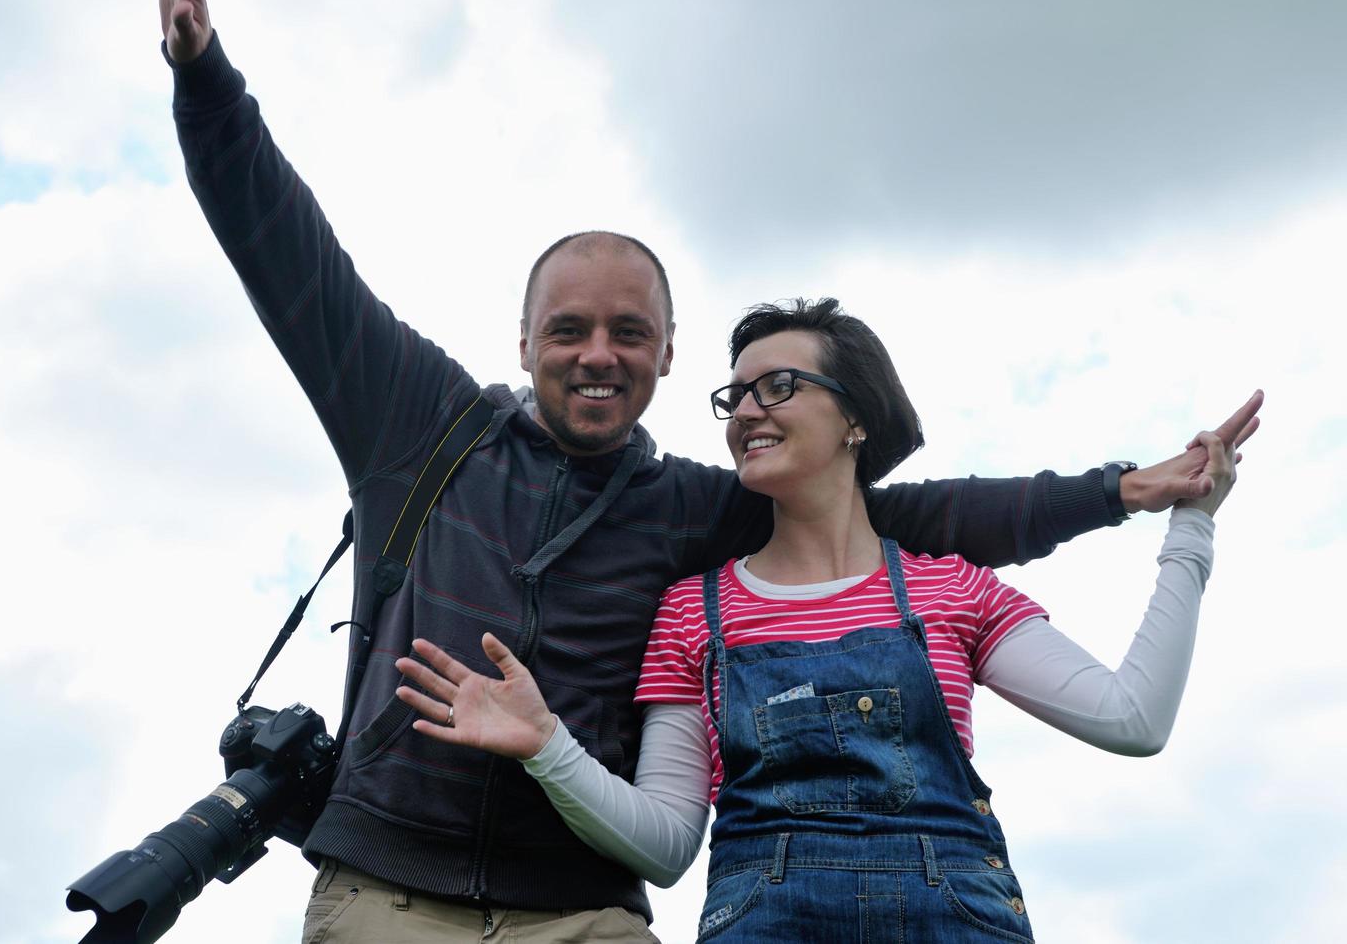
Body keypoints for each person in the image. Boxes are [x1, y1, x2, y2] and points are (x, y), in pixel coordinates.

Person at [156, 0, 1261, 938]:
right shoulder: (422, 426)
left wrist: (1125, 491)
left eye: (628, 332)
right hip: (385, 896)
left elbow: (901, 521)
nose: (598, 355)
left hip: (588, 913)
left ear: (667, 352)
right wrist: (206, 84)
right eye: (568, 330)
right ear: (524, 341)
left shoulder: (698, 508)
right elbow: (289, 259)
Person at [396, 299, 1257, 942]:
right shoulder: (694, 613)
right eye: (734, 397)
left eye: (779, 386)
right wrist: (548, 743)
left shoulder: (951, 590)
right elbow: (664, 846)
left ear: (854, 417)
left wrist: (1192, 529)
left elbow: (1133, 719)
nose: (748, 412)